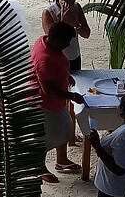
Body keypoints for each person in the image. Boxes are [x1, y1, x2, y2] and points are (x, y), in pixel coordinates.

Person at [31, 22, 85, 184]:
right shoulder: (44, 59)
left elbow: (59, 64)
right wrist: (71, 95)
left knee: (64, 127)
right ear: (56, 39)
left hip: (56, 101)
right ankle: (39, 168)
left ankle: (61, 160)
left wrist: (65, 75)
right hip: (43, 103)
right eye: (66, 41)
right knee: (46, 137)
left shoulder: (44, 41)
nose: (69, 44)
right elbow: (48, 89)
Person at [42, 0, 91, 153]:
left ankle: (71, 134)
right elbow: (52, 37)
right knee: (62, 99)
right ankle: (64, 138)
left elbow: (86, 33)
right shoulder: (49, 12)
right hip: (59, 60)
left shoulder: (77, 8)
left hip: (74, 57)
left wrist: (76, 23)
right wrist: (63, 19)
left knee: (73, 97)